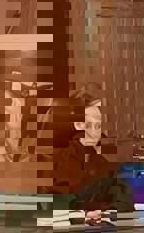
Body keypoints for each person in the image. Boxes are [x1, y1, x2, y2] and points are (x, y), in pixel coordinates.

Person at [52, 92, 134, 223]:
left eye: (98, 126)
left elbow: (124, 198)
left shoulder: (101, 161)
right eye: (90, 125)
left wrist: (108, 212)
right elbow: (61, 202)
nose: (96, 133)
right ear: (78, 125)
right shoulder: (66, 159)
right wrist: (85, 214)